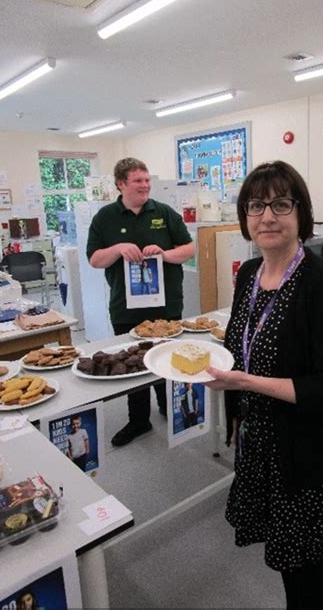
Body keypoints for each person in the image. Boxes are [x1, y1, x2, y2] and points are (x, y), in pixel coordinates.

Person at [205, 161, 323, 609]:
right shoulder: (248, 276)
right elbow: (242, 345)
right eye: (256, 205)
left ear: (301, 214)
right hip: (265, 441)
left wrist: (246, 382)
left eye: (281, 203)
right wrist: (236, 404)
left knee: (304, 564)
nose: (267, 216)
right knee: (285, 556)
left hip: (314, 451)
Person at [87, 157, 194, 446]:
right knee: (130, 364)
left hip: (166, 305)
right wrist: (118, 248)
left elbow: (189, 248)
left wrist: (164, 254)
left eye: (147, 180)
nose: (145, 185)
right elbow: (95, 259)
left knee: (167, 358)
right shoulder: (104, 217)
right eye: (138, 181)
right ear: (121, 184)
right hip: (125, 307)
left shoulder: (164, 213)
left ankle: (167, 407)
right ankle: (138, 420)